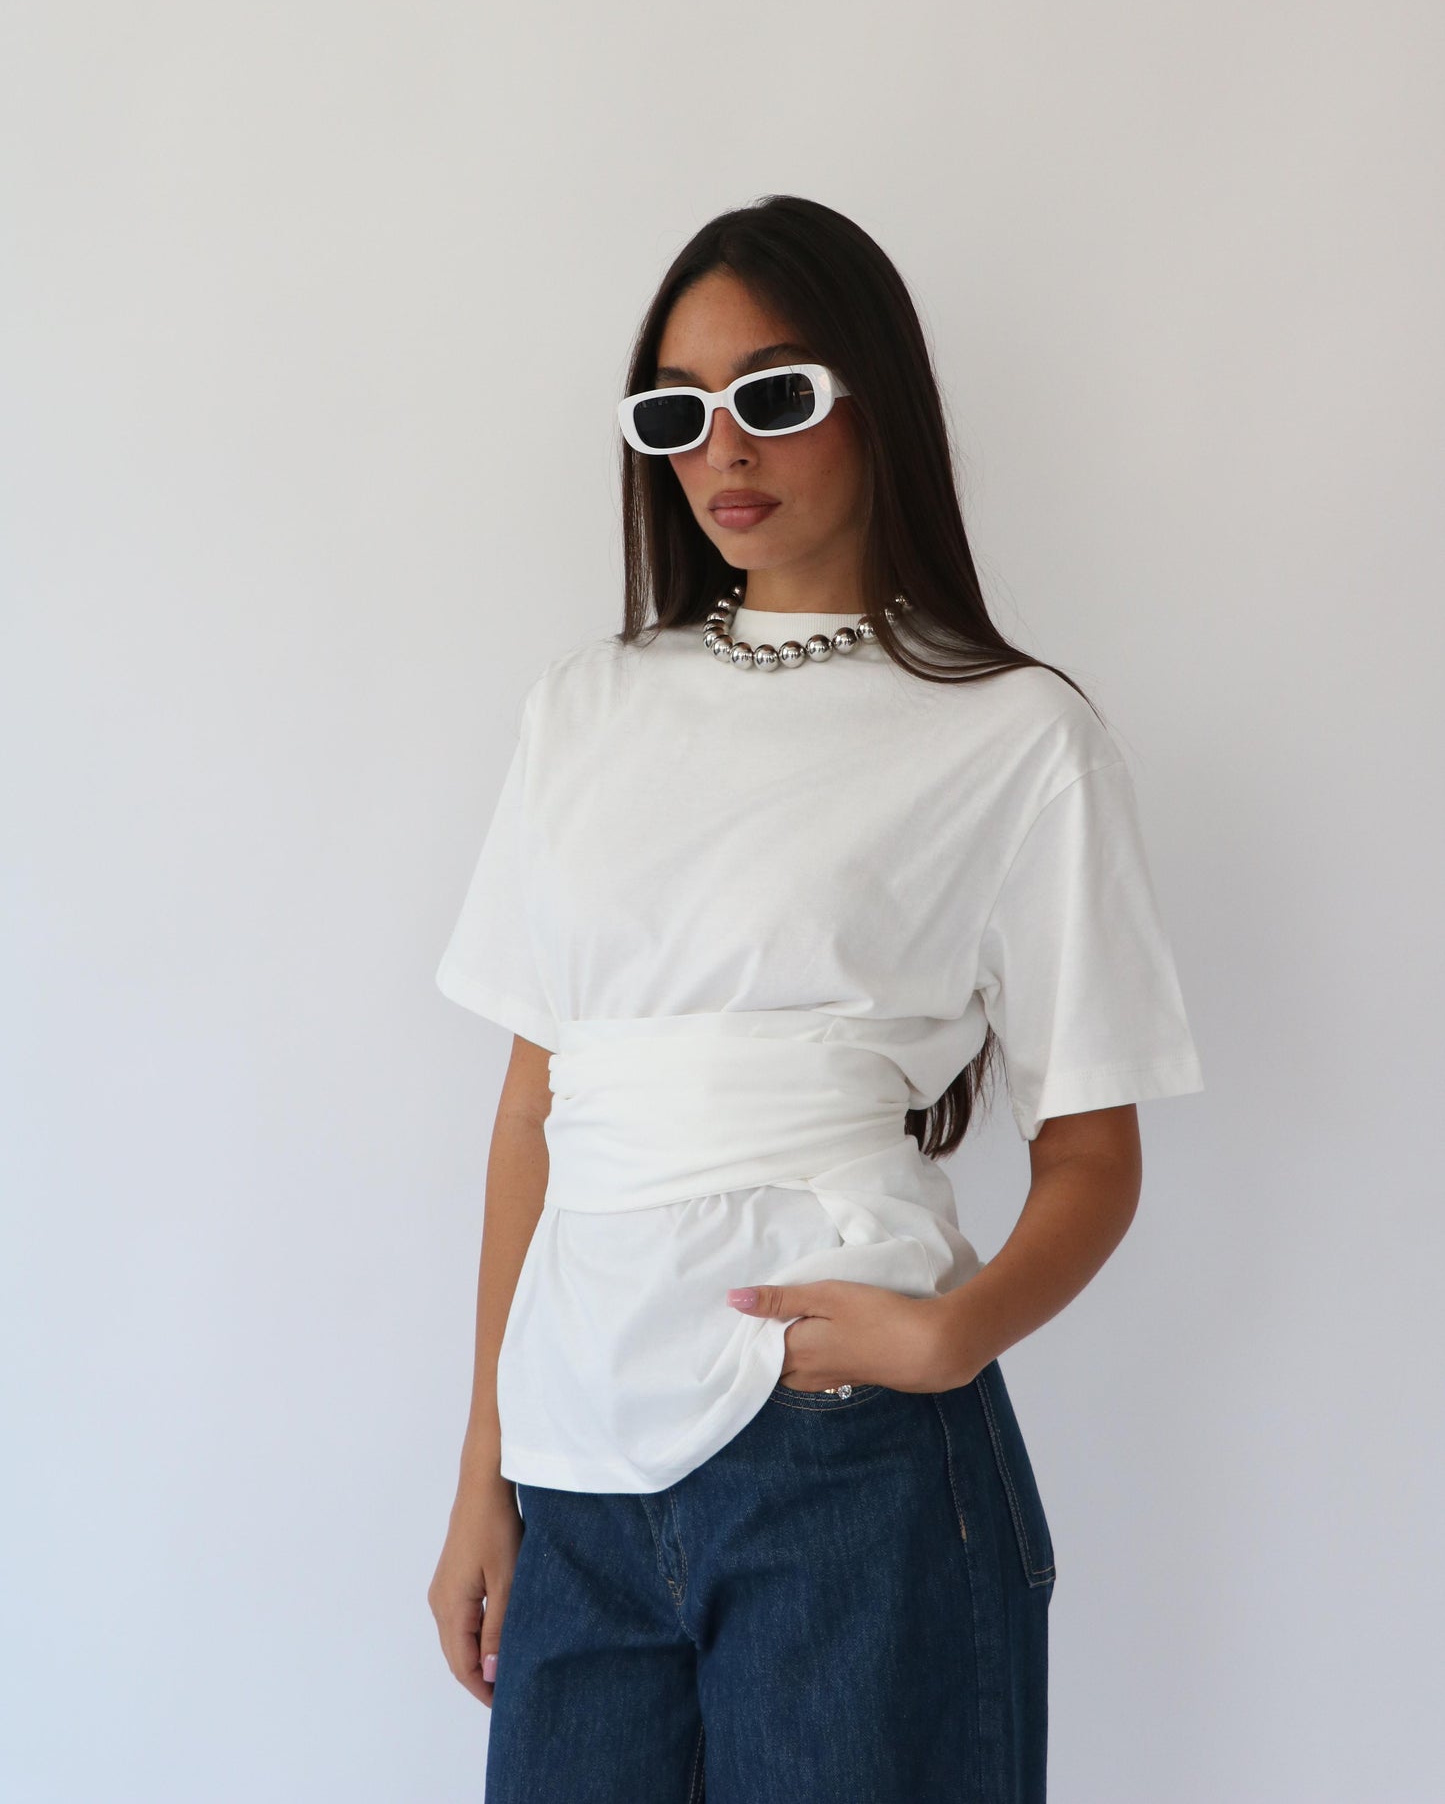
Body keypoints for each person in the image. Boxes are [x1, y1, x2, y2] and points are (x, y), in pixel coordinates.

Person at [426, 195, 1205, 1803]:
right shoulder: (583, 711)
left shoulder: (1012, 736)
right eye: (676, 413)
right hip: (575, 1463)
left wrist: (952, 1335)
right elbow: (532, 1110)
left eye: (772, 395)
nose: (722, 448)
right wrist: (481, 1478)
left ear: (876, 401)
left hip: (844, 1453)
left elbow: (1092, 1148)